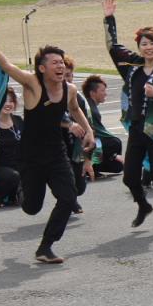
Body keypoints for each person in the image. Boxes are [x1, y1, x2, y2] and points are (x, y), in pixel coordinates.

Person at [0, 33, 94, 264]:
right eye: (55, 63)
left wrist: (88, 130)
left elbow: (74, 109)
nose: (60, 66)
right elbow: (6, 66)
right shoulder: (32, 84)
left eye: (62, 62)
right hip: (30, 158)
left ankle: (45, 246)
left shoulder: (69, 89)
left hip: (56, 154)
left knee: (69, 197)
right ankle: (23, 189)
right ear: (42, 68)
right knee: (32, 208)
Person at [102, 0, 153, 234]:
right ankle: (143, 205)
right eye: (144, 43)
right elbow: (112, 46)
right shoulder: (132, 68)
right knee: (129, 178)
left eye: (152, 43)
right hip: (137, 128)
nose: (148, 47)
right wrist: (109, 18)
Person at [81, 74, 124, 176]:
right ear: (92, 93)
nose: (105, 94)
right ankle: (93, 166)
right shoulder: (91, 109)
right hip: (86, 142)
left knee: (118, 165)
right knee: (114, 142)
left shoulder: (91, 105)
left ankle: (97, 165)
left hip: (90, 141)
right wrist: (113, 155)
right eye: (102, 91)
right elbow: (97, 133)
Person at [62, 55, 89, 211]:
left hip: (76, 145)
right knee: (65, 177)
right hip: (57, 143)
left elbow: (87, 126)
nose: (68, 79)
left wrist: (89, 159)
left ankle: (72, 197)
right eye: (64, 76)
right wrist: (68, 125)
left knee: (80, 186)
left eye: (70, 75)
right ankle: (69, 202)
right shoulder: (51, 96)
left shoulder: (79, 98)